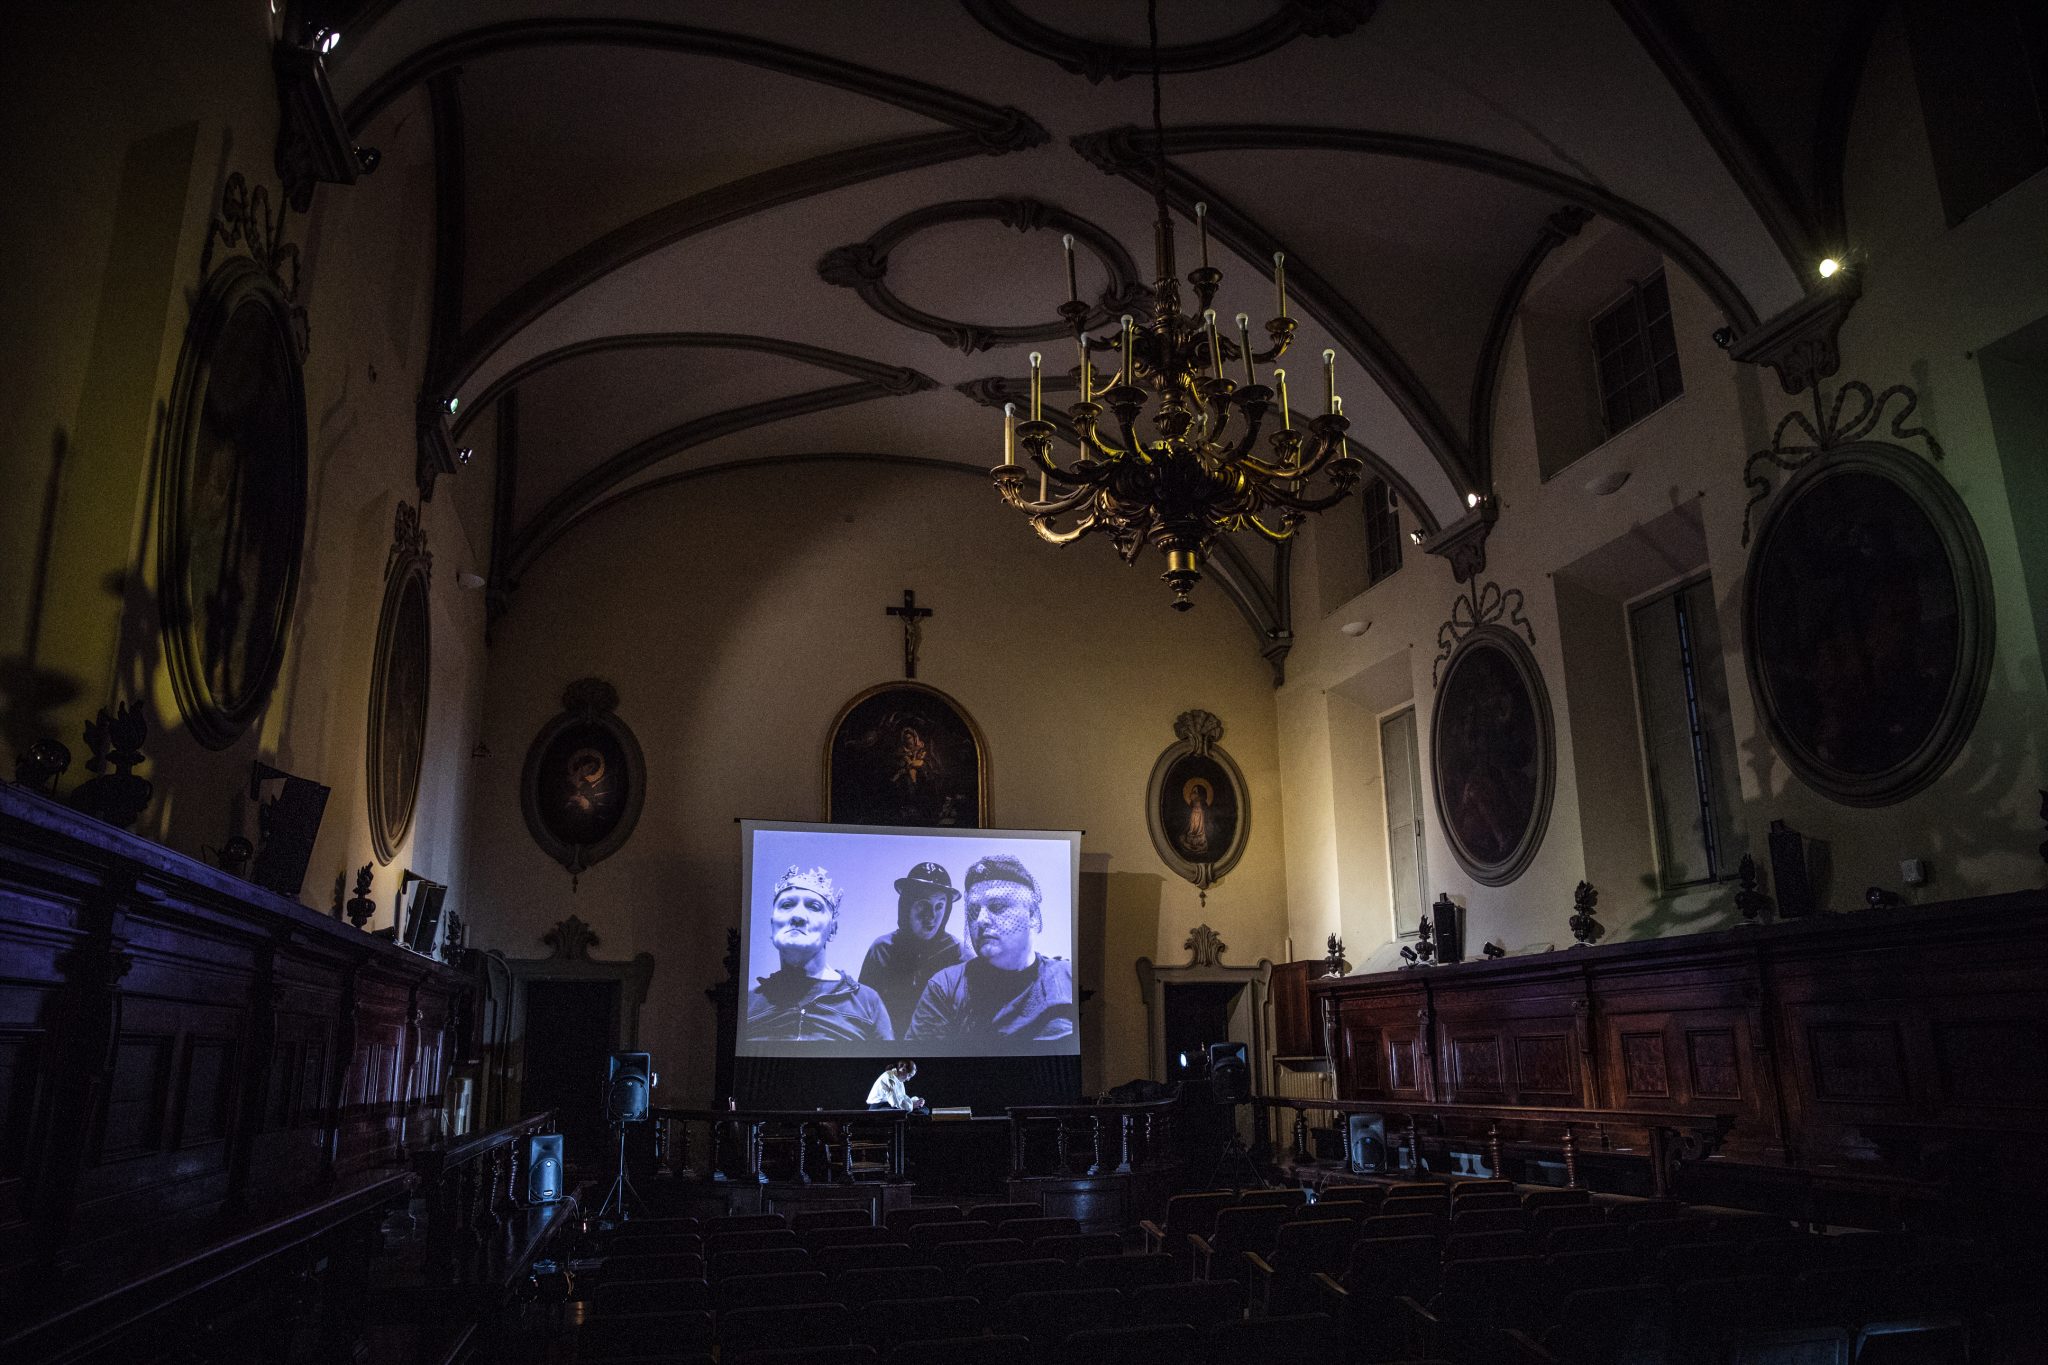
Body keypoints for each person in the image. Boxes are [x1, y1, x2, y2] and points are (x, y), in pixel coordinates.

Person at [907, 855, 1074, 1043]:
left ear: (1032, 915)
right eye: (974, 911)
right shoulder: (946, 987)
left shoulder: (1067, 978)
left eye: (997, 906)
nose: (981, 920)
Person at [744, 866, 891, 1041]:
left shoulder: (866, 1002)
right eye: (787, 905)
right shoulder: (747, 1003)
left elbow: (888, 1059)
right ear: (772, 925)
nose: (798, 916)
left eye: (814, 907)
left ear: (833, 929)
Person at [858, 861, 972, 1036]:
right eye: (923, 905)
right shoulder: (882, 949)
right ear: (906, 906)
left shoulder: (960, 955)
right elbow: (862, 1015)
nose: (931, 916)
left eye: (939, 906)